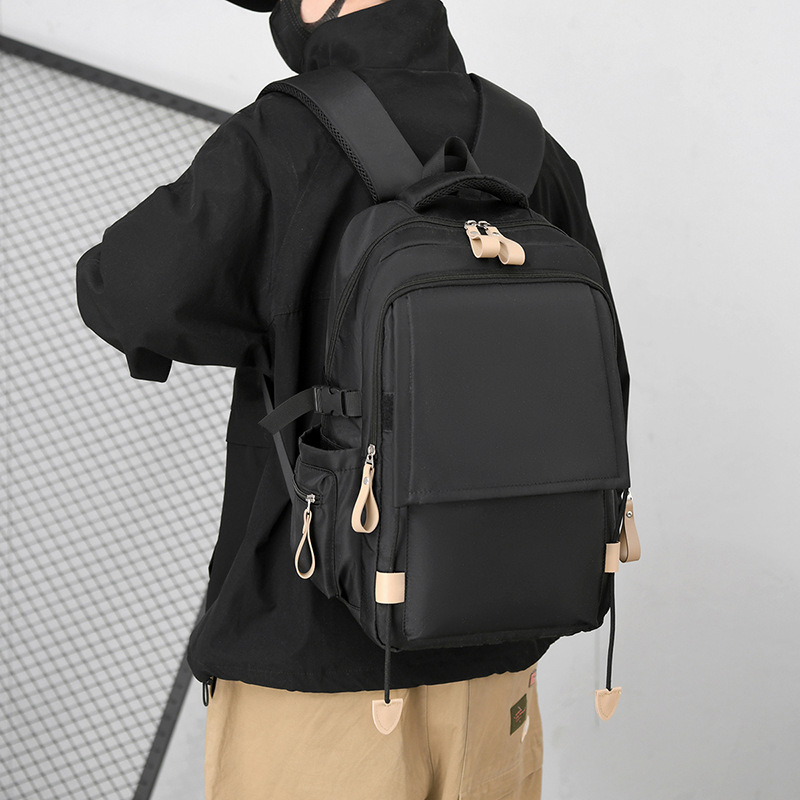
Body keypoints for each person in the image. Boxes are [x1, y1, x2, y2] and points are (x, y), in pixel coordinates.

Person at [76, 1, 622, 797]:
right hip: (500, 672)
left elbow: (124, 292)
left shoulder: (284, 138)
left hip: (317, 668)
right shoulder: (535, 152)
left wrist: (274, 316)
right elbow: (602, 388)